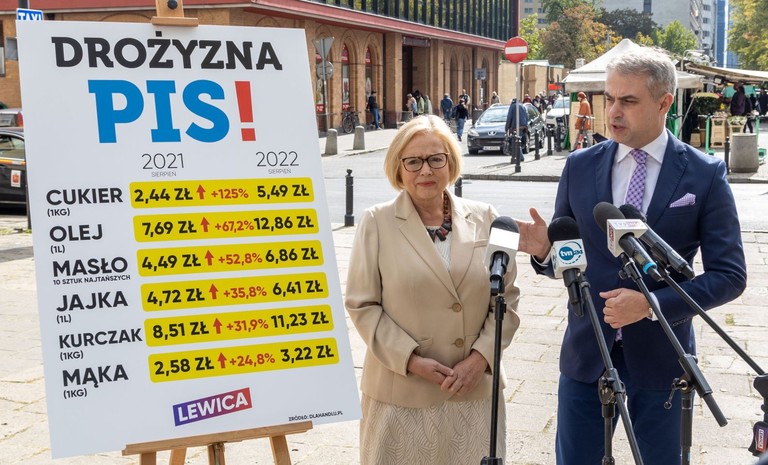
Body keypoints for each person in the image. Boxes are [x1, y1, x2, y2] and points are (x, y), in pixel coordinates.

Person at [517, 46, 747, 465]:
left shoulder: (704, 173)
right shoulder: (579, 166)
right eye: (609, 98)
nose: (613, 112)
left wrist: (651, 305)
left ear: (664, 102)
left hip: (662, 358)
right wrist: (546, 253)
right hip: (587, 353)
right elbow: (570, 257)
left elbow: (729, 275)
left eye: (628, 100)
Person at [345, 114, 521, 465]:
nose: (425, 170)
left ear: (451, 163)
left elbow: (508, 299)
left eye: (436, 159)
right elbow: (362, 305)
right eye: (413, 161)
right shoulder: (376, 222)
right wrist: (410, 360)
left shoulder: (486, 216)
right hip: (401, 393)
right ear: (399, 168)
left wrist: (480, 359)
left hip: (473, 391)